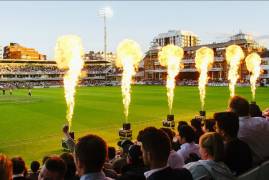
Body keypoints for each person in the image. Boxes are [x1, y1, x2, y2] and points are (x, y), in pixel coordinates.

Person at [228, 95, 269, 164]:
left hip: (255, 168)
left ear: (232, 111)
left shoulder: (236, 129)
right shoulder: (262, 121)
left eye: (229, 108)